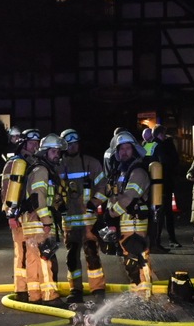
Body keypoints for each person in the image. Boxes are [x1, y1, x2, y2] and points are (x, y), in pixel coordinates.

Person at [98, 130, 156, 299]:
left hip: (136, 224)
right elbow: (116, 196)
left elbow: (128, 198)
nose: (124, 152)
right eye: (121, 149)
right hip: (126, 225)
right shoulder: (123, 172)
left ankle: (144, 295)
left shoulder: (138, 172)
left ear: (134, 150)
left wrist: (111, 214)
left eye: (127, 149)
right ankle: (138, 292)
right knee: (130, 261)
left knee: (138, 259)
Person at [57, 129, 107, 303]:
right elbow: (52, 190)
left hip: (88, 222)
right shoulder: (58, 166)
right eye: (69, 144)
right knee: (72, 258)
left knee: (92, 254)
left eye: (75, 143)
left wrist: (94, 203)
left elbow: (103, 187)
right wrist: (58, 205)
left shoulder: (91, 164)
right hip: (69, 222)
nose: (73, 147)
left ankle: (98, 289)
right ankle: (75, 289)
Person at [19, 133, 66, 305]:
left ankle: (35, 295)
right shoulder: (42, 170)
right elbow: (39, 197)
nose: (57, 155)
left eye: (58, 152)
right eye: (54, 151)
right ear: (45, 152)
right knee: (46, 258)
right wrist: (47, 221)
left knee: (34, 259)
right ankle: (50, 296)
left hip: (31, 221)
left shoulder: (40, 168)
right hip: (39, 221)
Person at [2, 130, 41, 301]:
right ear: (23, 144)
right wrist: (10, 215)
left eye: (37, 143)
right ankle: (21, 290)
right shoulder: (15, 163)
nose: (35, 146)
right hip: (17, 215)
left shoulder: (33, 162)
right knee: (22, 251)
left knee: (30, 252)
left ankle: (28, 289)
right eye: (32, 143)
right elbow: (7, 190)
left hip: (29, 215)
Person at [144, 124, 182, 250]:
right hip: (162, 184)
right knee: (164, 214)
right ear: (161, 134)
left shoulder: (146, 145)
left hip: (149, 184)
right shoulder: (161, 146)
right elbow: (166, 163)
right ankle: (160, 241)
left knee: (153, 213)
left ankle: (152, 240)